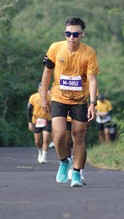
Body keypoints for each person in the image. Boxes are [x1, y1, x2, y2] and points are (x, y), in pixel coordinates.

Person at [40, 17, 99, 187]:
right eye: (68, 34)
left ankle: (77, 173)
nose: (71, 37)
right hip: (59, 97)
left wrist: (92, 104)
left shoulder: (89, 53)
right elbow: (47, 73)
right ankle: (64, 161)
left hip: (80, 100)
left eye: (75, 34)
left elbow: (92, 79)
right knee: (59, 136)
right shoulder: (55, 48)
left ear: (82, 35)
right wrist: (43, 97)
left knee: (78, 136)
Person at [27, 84, 52, 164]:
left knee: (46, 138)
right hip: (36, 120)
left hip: (47, 119)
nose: (43, 91)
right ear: (38, 89)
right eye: (41, 89)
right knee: (38, 141)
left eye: (44, 89)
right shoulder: (33, 97)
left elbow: (53, 108)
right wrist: (29, 122)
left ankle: (44, 156)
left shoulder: (49, 96)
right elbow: (29, 110)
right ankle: (40, 151)